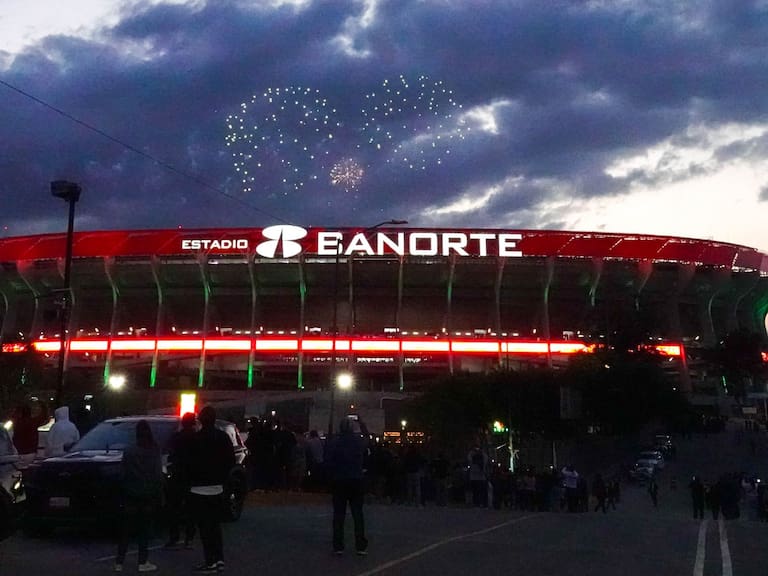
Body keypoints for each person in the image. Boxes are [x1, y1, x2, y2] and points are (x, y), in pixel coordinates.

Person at [188, 406, 235, 574]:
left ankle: (210, 561)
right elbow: (230, 460)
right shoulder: (222, 437)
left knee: (204, 527)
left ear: (200, 419)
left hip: (199, 488)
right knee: (215, 526)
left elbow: (188, 463)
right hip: (217, 487)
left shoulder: (195, 439)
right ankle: (219, 558)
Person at [115, 420, 163, 573]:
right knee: (144, 529)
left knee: (126, 530)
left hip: (131, 493)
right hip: (148, 494)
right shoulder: (154, 449)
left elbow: (122, 473)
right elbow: (157, 473)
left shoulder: (129, 451)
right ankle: (143, 561)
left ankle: (119, 562)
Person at [326, 416, 369, 555]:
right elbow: (367, 440)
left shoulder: (335, 442)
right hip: (356, 479)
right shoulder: (358, 441)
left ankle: (338, 545)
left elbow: (329, 460)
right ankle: (360, 545)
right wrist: (362, 423)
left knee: (339, 514)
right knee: (357, 513)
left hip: (339, 479)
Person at [164, 412, 197, 550]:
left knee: (174, 508)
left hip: (177, 475)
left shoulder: (176, 437)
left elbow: (170, 455)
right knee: (191, 509)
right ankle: (189, 538)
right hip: (193, 476)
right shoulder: (197, 438)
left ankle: (174, 536)